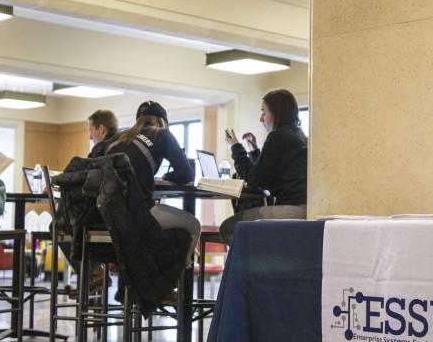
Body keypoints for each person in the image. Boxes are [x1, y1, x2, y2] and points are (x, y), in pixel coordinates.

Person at [106, 100, 201, 255]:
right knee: (194, 225)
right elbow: (186, 175)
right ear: (163, 121)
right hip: (141, 213)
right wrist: (169, 175)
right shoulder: (162, 134)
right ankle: (175, 277)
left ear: (137, 120)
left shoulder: (116, 139)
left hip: (109, 215)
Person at [219, 89, 307, 243]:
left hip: (289, 210)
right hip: (304, 208)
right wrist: (254, 151)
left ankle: (254, 266)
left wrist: (235, 148)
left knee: (229, 228)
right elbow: (268, 174)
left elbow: (255, 179)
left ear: (276, 113)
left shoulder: (277, 136)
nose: (261, 118)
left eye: (264, 112)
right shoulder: (299, 135)